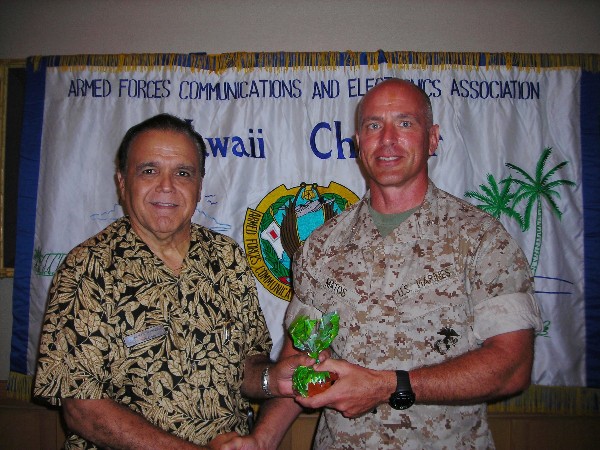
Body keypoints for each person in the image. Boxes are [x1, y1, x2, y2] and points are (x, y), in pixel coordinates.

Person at [223, 78, 542, 449]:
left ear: (433, 138)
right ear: (358, 143)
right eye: (374, 125)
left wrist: (389, 386)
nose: (387, 139)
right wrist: (262, 440)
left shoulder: (480, 240)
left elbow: (513, 367)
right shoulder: (320, 247)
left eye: (405, 123)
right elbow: (301, 360)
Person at [33, 113, 317, 449]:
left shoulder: (227, 258)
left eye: (183, 173)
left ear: (199, 186)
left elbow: (246, 364)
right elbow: (82, 408)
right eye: (149, 170)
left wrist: (272, 379)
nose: (167, 186)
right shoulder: (86, 270)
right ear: (122, 183)